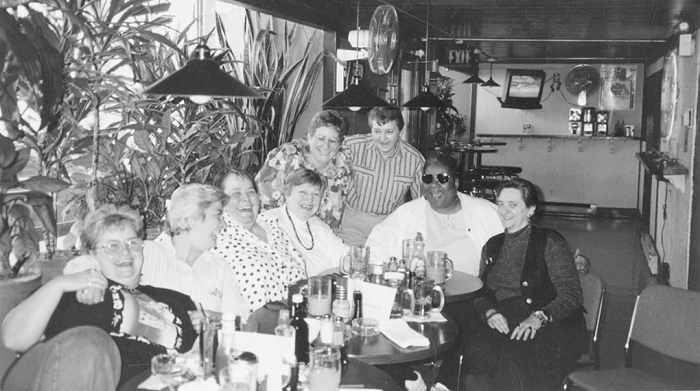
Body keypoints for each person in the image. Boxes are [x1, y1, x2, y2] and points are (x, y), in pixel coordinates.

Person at [2, 205, 198, 389]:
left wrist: (206, 330)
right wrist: (59, 284)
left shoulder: (176, 300)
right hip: (99, 379)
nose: (125, 252)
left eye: (133, 243)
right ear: (92, 255)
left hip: (169, 382)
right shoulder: (75, 292)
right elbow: (13, 338)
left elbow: (207, 359)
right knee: (92, 342)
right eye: (112, 246)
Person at [64, 184, 251, 323]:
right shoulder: (146, 251)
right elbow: (82, 263)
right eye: (218, 215)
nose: (224, 225)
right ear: (193, 218)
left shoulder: (219, 266)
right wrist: (90, 282)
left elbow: (243, 321)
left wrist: (214, 318)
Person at [466, 178, 587, 391]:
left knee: (511, 364)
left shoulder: (549, 241)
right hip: (505, 317)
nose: (504, 211)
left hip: (549, 324)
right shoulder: (492, 245)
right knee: (473, 353)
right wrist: (490, 312)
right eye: (501, 204)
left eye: (513, 205)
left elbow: (572, 294)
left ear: (530, 210)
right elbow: (481, 292)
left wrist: (540, 316)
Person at [365, 153, 502, 275]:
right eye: (428, 179)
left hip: (474, 297)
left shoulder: (485, 212)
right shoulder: (407, 214)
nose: (434, 185)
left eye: (442, 179)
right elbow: (375, 250)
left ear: (456, 183)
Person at [214, 169, 307, 310]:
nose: (246, 198)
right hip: (249, 328)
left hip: (294, 324)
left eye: (251, 192)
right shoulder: (216, 237)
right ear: (219, 201)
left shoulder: (274, 229)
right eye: (236, 193)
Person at [339, 106, 426, 245]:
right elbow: (323, 145)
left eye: (389, 132)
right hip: (353, 223)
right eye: (377, 131)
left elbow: (421, 203)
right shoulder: (353, 146)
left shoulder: (414, 159)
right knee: (349, 264)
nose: (383, 138)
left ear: (401, 132)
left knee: (384, 266)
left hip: (389, 225)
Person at [256, 109, 353, 231]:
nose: (326, 145)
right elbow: (261, 203)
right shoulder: (287, 156)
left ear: (340, 144)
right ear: (309, 136)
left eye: (333, 140)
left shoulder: (343, 166)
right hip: (280, 235)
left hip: (321, 240)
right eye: (321, 138)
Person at [263, 168, 349, 276]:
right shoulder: (269, 221)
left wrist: (349, 259)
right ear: (287, 193)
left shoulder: (319, 226)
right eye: (303, 192)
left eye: (316, 194)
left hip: (323, 289)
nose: (309, 199)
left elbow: (339, 250)